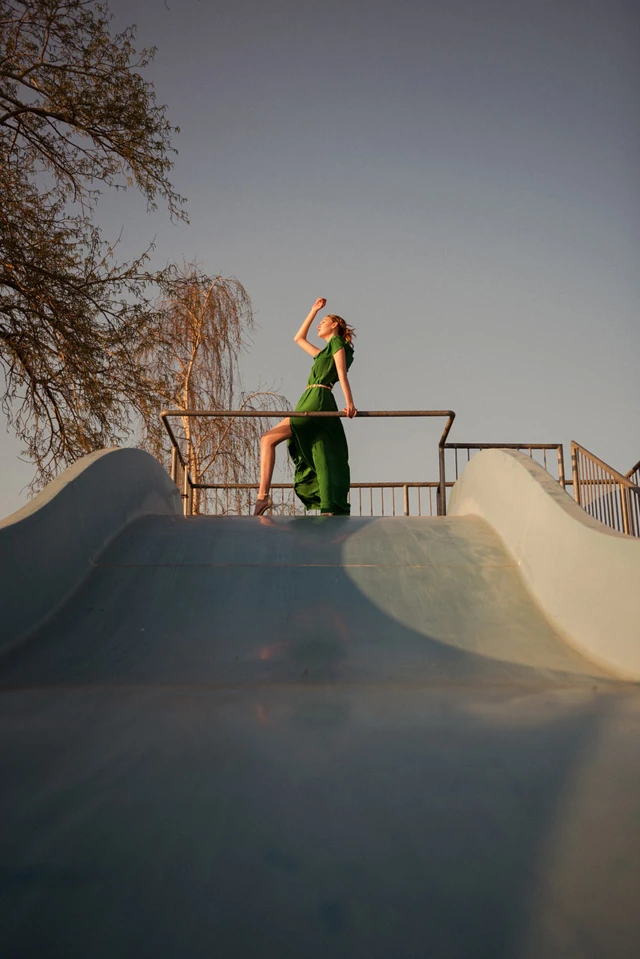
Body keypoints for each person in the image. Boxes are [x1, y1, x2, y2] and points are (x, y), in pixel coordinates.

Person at [254, 297, 357, 516]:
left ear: (335, 325)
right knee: (320, 452)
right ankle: (327, 506)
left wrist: (350, 403)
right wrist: (313, 310)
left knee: (267, 439)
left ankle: (262, 497)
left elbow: (341, 373)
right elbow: (298, 338)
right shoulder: (323, 354)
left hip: (318, 398)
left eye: (323, 321)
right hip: (310, 397)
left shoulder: (337, 343)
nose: (319, 325)